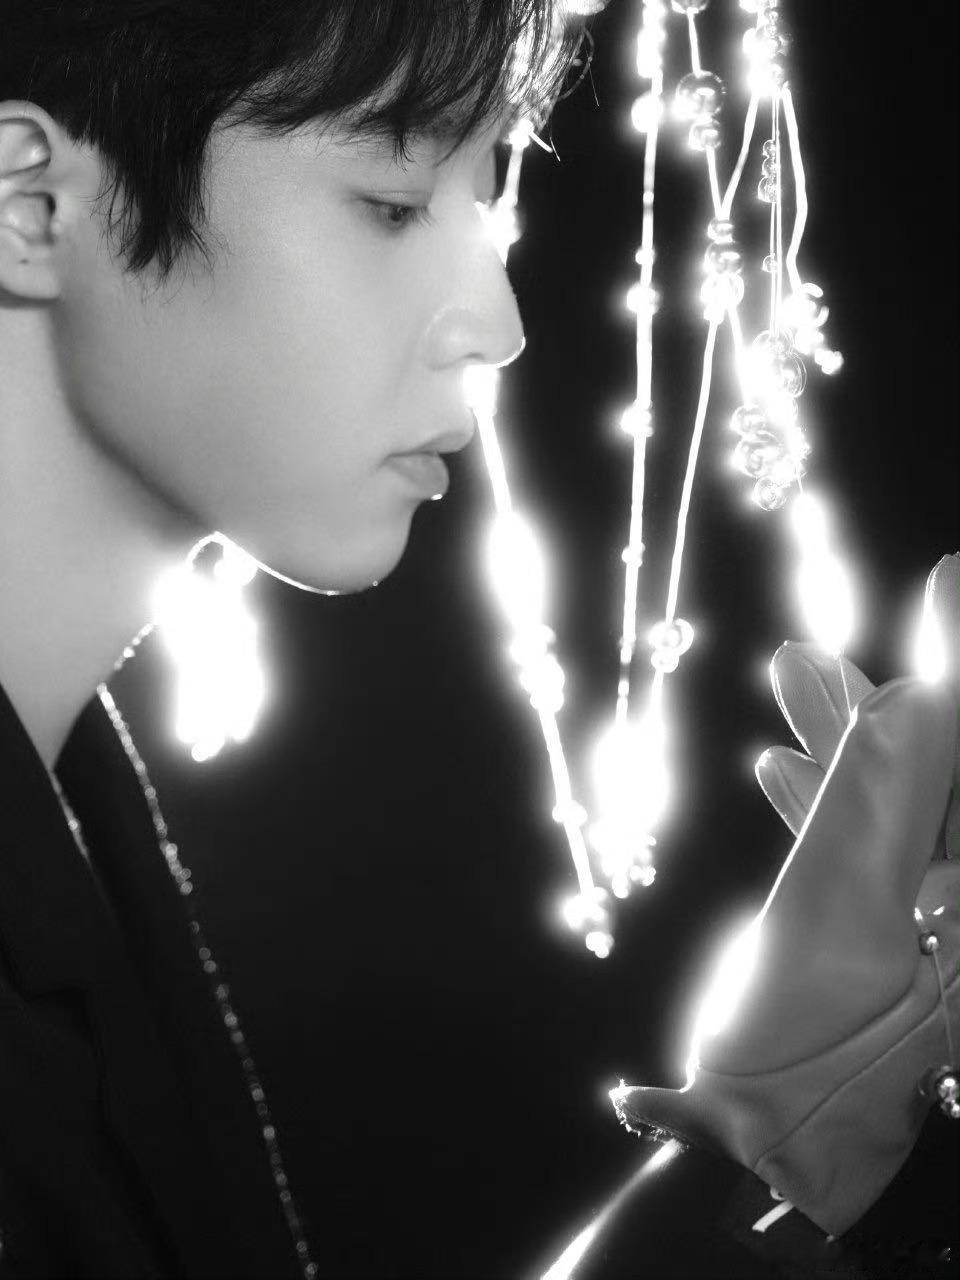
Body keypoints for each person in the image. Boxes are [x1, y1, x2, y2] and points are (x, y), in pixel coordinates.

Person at [0, 2, 956, 1277]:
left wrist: (776, 1141)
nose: (496, 323)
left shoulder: (80, 866)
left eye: (487, 195)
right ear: (32, 205)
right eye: (392, 202)